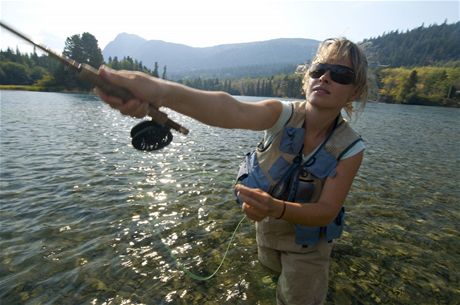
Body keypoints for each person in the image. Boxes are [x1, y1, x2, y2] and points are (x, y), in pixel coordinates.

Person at [95, 37, 368, 305]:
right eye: (319, 70)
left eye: (341, 74)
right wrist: (159, 91)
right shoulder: (281, 114)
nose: (325, 78)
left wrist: (276, 208)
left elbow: (327, 211)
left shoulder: (351, 147)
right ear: (307, 78)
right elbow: (231, 110)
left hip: (310, 248)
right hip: (268, 232)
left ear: (355, 91)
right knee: (270, 279)